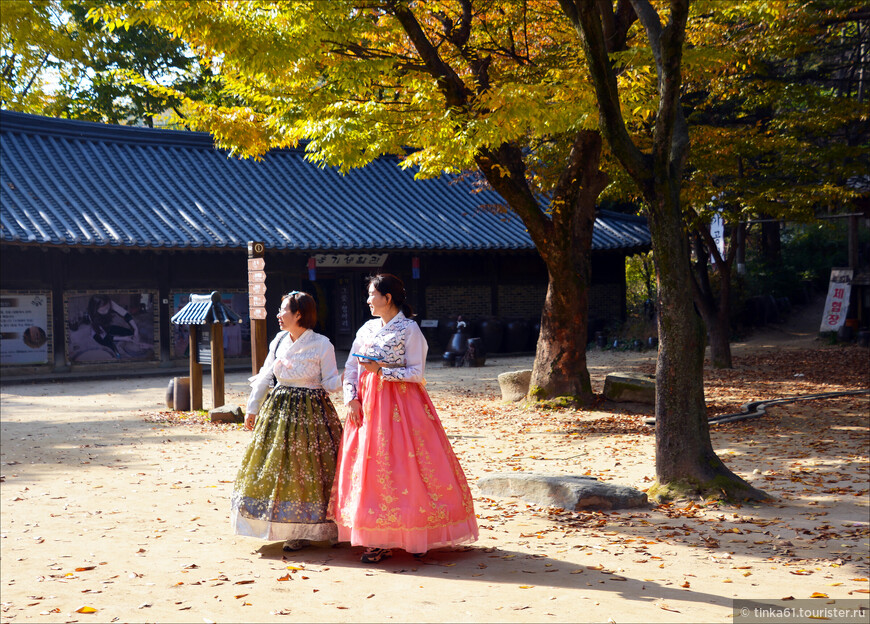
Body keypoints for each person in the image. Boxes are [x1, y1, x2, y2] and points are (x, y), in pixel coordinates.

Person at [331, 274, 478, 563]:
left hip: (402, 405)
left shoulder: (409, 330)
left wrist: (382, 371)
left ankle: (417, 531)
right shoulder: (367, 328)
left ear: (388, 298)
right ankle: (376, 537)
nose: (368, 300)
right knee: (372, 468)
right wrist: (351, 398)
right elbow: (351, 366)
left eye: (372, 294)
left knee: (406, 465)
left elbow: (417, 373)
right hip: (367, 406)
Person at [231, 291, 343, 552]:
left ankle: (322, 527)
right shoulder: (279, 340)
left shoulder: (322, 344)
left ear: (299, 314)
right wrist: (252, 408)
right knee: (279, 468)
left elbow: (330, 383)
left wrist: (356, 381)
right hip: (279, 411)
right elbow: (265, 375)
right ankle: (290, 528)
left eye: (283, 310)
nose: (278, 316)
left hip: (312, 414)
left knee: (311, 468)